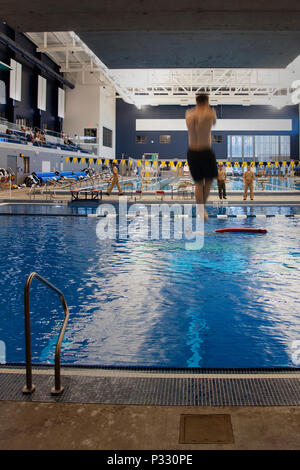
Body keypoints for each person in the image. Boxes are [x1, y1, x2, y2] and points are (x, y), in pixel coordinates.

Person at [185, 93, 217, 220]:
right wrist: (211, 111)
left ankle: (200, 210)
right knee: (209, 180)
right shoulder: (210, 113)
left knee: (198, 183)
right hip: (206, 151)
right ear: (207, 101)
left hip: (192, 152)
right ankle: (202, 208)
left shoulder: (188, 114)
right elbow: (213, 122)